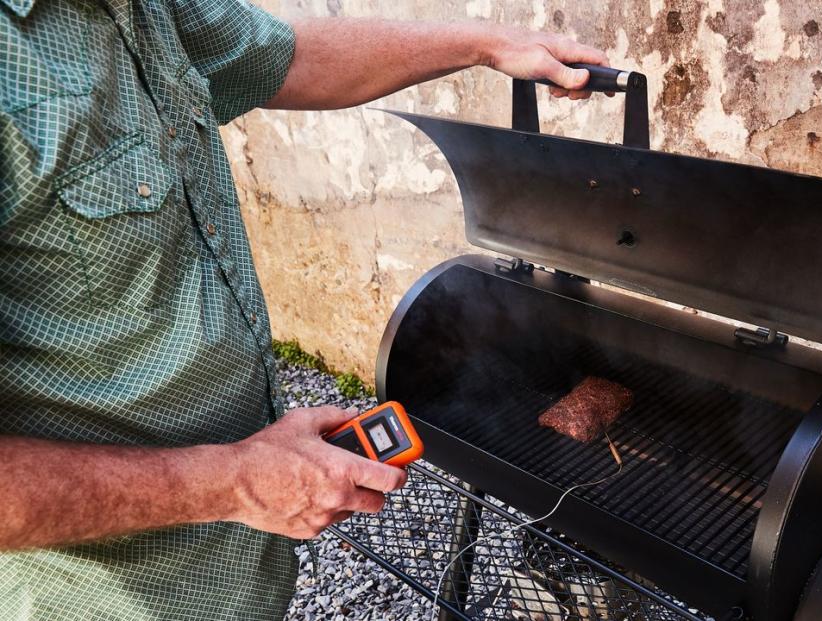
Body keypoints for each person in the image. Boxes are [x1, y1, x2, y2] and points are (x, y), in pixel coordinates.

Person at [0, 1, 607, 619]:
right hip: (102, 597)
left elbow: (282, 58)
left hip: (246, 561)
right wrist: (236, 481)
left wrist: (488, 43)